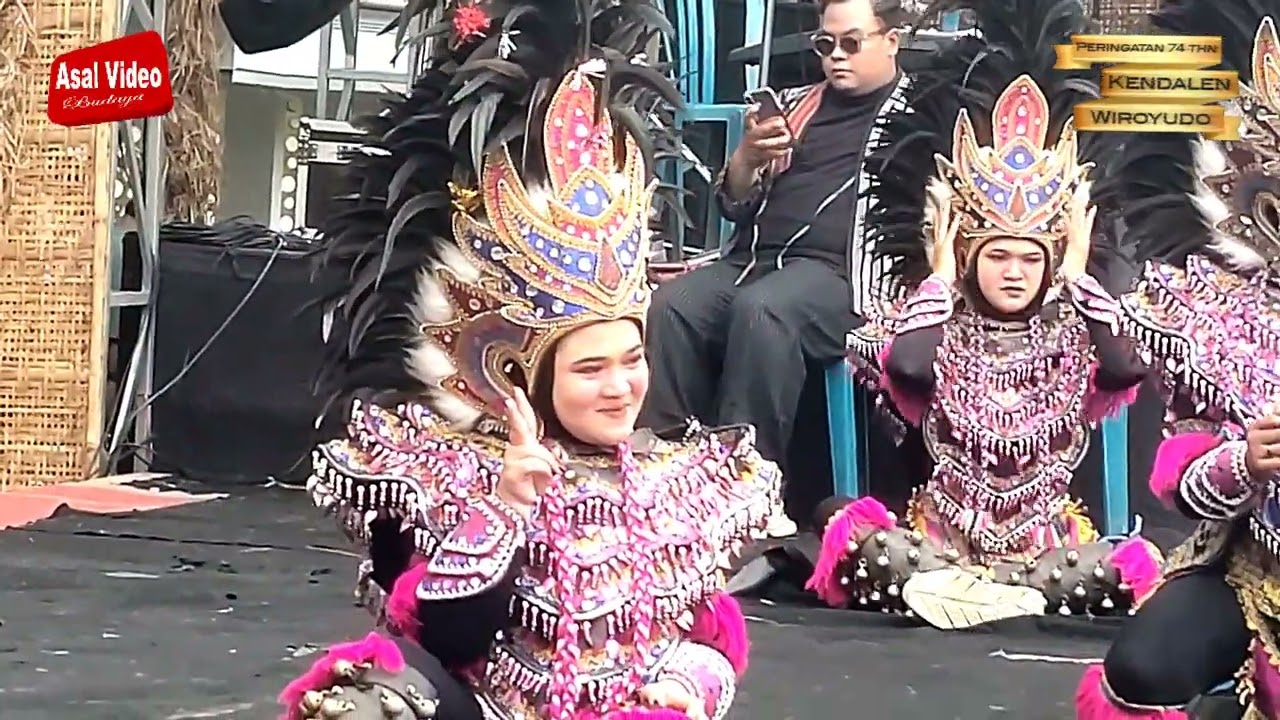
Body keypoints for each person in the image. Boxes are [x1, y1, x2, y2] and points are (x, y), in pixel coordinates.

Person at [276, 2, 780, 719]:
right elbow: (443, 639)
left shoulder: (683, 484)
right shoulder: (444, 473)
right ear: (518, 373)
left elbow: (711, 637)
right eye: (588, 369)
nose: (620, 387)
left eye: (631, 359)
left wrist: (690, 688)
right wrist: (505, 510)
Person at [802, 0, 1163, 630]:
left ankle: (1010, 596)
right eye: (997, 254)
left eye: (1032, 257)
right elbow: (909, 371)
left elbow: (1125, 367)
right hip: (939, 547)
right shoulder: (936, 321)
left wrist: (1078, 274)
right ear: (970, 255)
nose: (1015, 272)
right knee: (848, 527)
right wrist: (939, 274)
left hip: (1045, 556)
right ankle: (979, 595)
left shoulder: (1075, 328)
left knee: (1130, 562)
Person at [639, 0, 913, 536]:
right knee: (671, 306)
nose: (835, 57)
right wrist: (744, 160)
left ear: (891, 42)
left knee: (765, 312)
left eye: (851, 43)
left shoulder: (915, 119)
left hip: (844, 277)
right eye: (824, 44)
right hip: (753, 260)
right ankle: (662, 476)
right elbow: (734, 206)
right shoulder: (793, 106)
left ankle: (745, 490)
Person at [1075, 1, 1280, 715]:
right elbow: (1177, 473)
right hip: (1258, 567)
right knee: (1143, 668)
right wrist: (1244, 463)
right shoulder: (1214, 313)